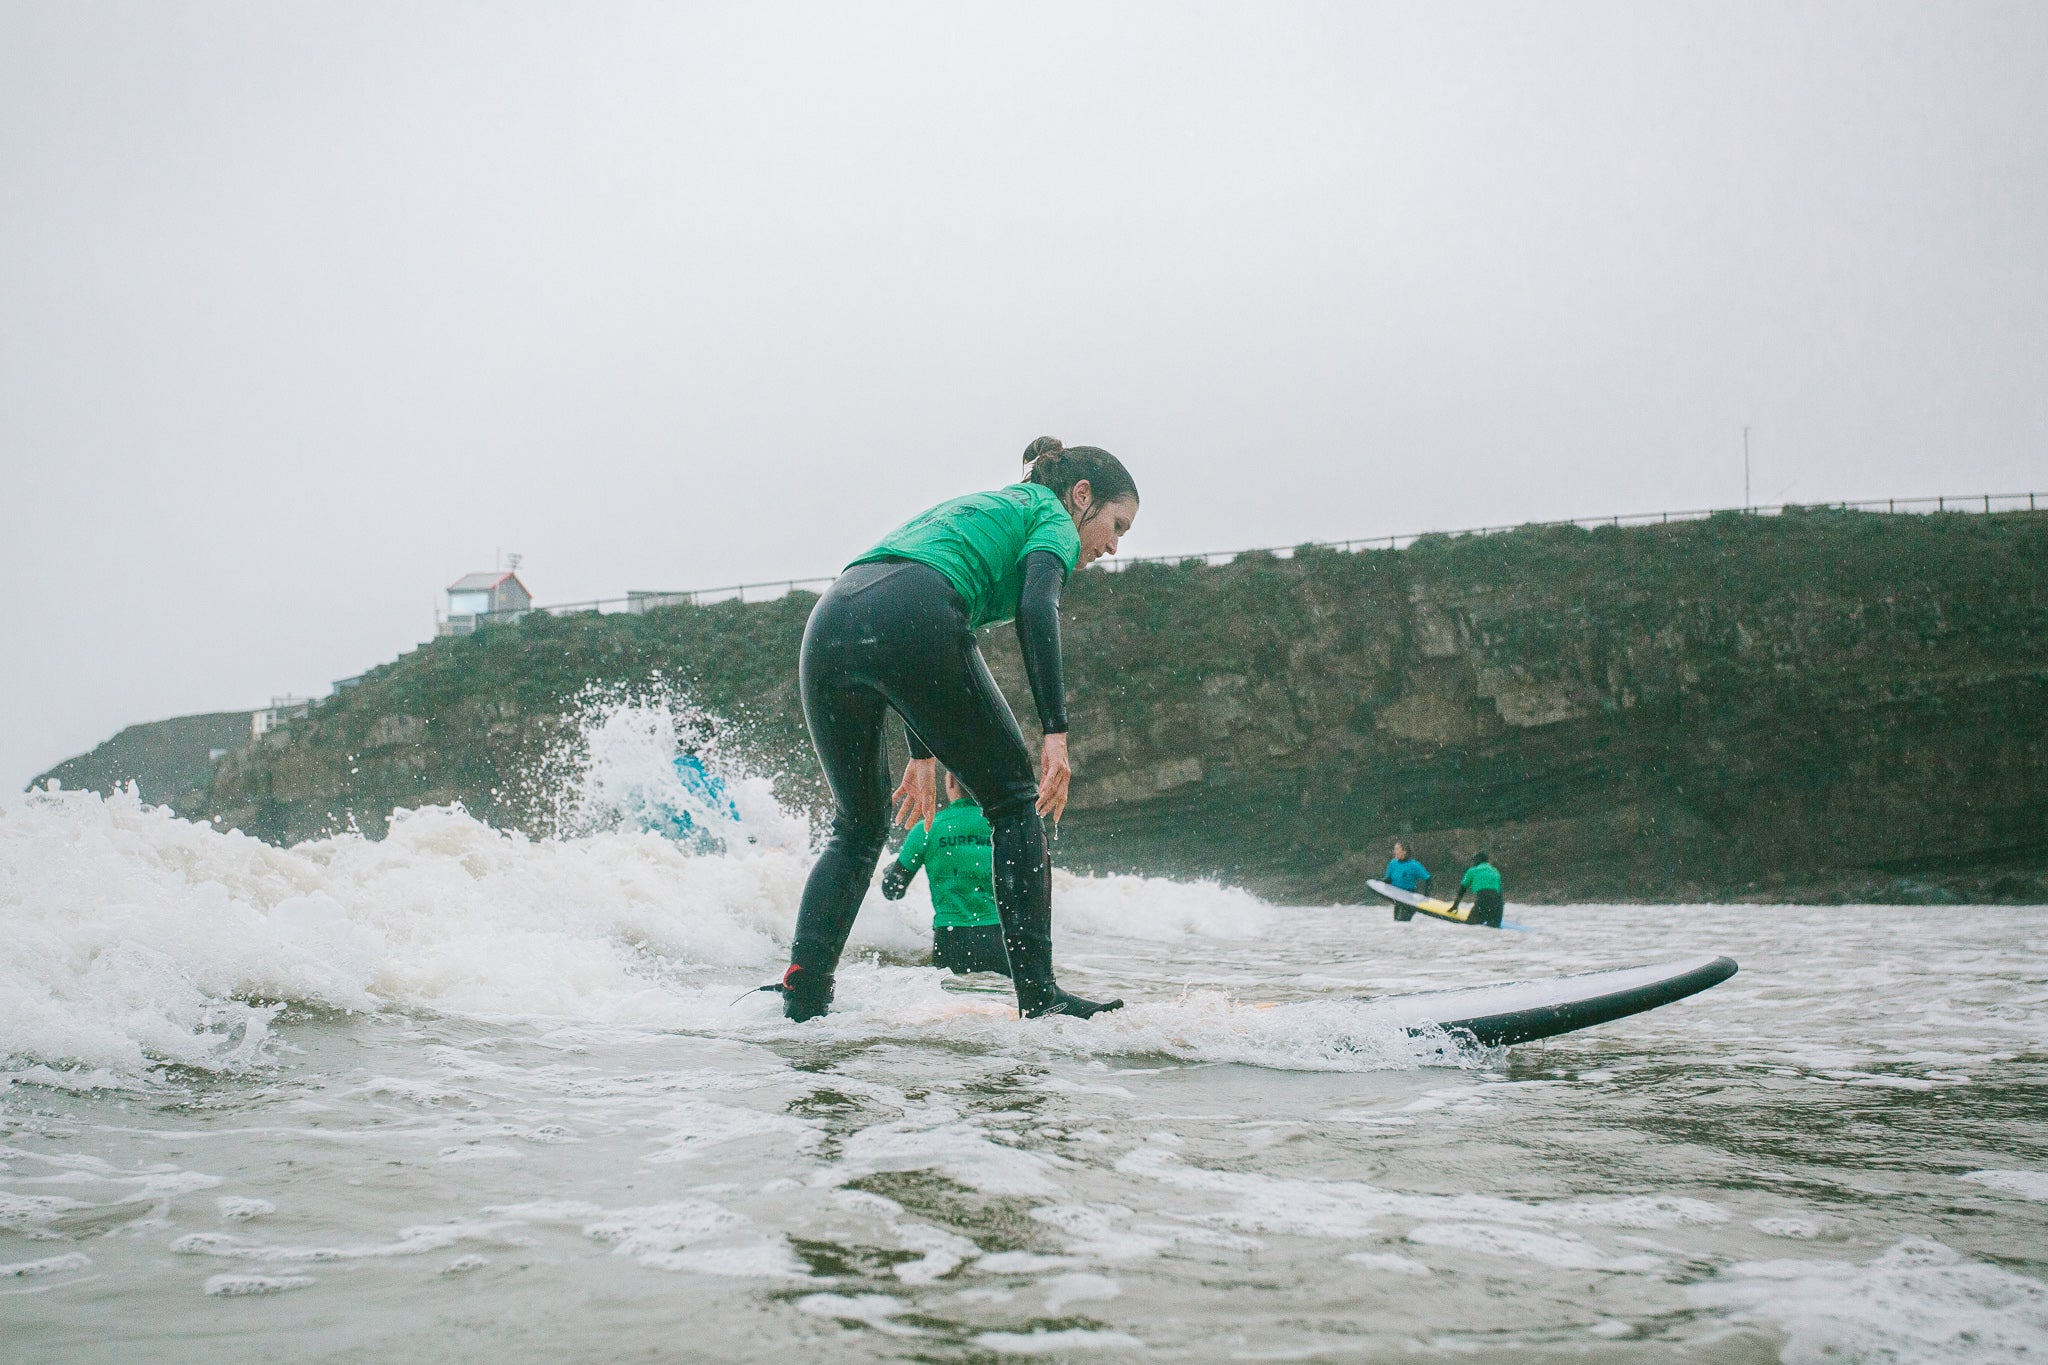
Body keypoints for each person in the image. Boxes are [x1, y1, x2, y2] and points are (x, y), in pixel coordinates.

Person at [773, 437, 1139, 1022]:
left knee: (859, 823)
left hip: (833, 619)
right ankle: (1040, 999)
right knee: (1015, 801)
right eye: (1116, 524)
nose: (1114, 545)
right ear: (1082, 496)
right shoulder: (1052, 517)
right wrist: (1055, 732)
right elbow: (1036, 608)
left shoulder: (987, 507)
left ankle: (804, 987)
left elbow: (905, 611)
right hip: (914, 612)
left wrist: (923, 755)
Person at [881, 771, 1011, 977]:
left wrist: (890, 871)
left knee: (953, 1005)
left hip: (951, 941)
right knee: (999, 1005)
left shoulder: (928, 828)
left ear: (950, 779)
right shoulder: (1004, 826)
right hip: (1001, 941)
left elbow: (892, 890)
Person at [1446, 850, 1505, 928]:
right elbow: (1500, 893)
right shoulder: (1495, 871)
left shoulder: (1472, 871)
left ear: (1478, 860)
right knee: (1493, 932)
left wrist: (1455, 906)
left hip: (1483, 901)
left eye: (1474, 860)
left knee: (1470, 928)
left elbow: (1462, 890)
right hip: (1498, 905)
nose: (1473, 862)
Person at [1383, 840, 1430, 923]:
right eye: (1394, 849)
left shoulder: (1414, 865)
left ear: (1404, 851)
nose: (1395, 851)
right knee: (1397, 924)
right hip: (1398, 899)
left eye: (1397, 849)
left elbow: (1428, 879)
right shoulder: (1392, 864)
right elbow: (1387, 881)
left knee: (1402, 923)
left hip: (1409, 899)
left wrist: (1426, 896)